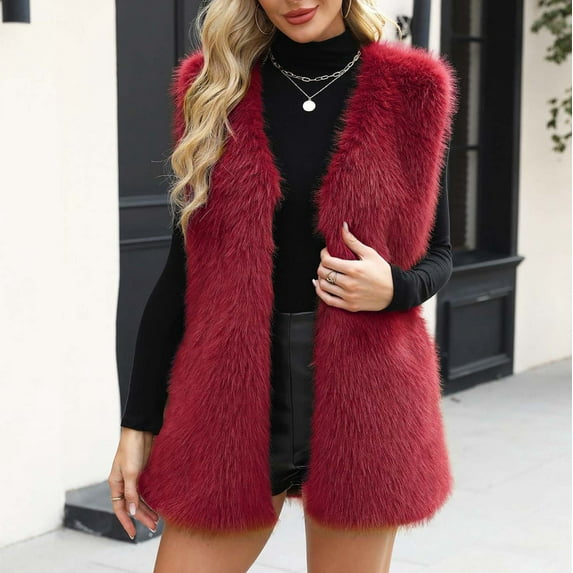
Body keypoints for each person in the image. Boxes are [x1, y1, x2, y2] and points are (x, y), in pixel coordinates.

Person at [108, 1, 456, 571]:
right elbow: (179, 272)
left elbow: (440, 253)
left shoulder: (413, 90)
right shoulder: (215, 87)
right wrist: (137, 424)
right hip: (229, 396)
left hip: (366, 398)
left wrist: (395, 288)